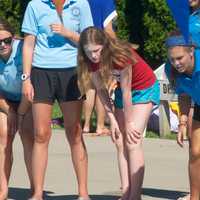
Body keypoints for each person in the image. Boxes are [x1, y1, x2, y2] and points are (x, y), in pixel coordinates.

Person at [21, 0, 93, 200]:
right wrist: (26, 78)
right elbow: (28, 43)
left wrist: (68, 33)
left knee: (75, 131)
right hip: (41, 70)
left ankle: (83, 192)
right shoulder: (35, 5)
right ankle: (37, 193)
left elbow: (90, 42)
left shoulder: (81, 4)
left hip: (71, 71)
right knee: (41, 134)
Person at [77, 27, 160, 200]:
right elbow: (101, 91)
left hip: (144, 88)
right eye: (88, 52)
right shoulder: (90, 60)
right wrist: (112, 120)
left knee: (132, 141)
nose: (93, 56)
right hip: (123, 93)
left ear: (105, 45)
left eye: (96, 51)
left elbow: (128, 91)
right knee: (119, 142)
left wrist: (129, 123)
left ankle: (135, 196)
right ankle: (126, 192)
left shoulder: (121, 56)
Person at [0, 17, 34, 199]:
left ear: (13, 38)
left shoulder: (23, 50)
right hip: (5, 101)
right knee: (4, 134)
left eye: (7, 40)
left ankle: (35, 189)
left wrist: (20, 112)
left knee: (28, 135)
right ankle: (2, 189)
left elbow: (31, 85)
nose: (3, 45)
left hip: (28, 99)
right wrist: (10, 111)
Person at [165, 31, 200, 200]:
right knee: (196, 151)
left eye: (179, 58)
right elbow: (184, 94)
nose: (176, 63)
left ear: (191, 52)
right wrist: (183, 122)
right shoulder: (170, 69)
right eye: (172, 59)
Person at [82, 0, 117, 135]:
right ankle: (100, 126)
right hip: (100, 49)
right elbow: (108, 30)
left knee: (89, 88)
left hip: (86, 47)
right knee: (102, 87)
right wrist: (118, 46)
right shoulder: (106, 2)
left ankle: (86, 125)